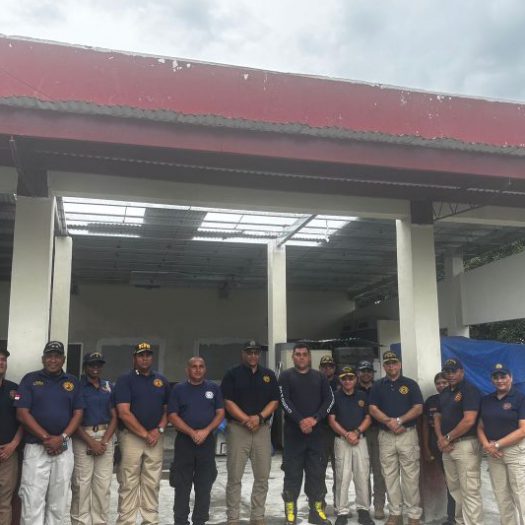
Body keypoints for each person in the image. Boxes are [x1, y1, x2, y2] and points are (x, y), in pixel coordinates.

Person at [15, 340, 84, 525]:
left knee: (58, 503)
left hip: (63, 449)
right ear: (43, 358)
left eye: (57, 356)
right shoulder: (30, 379)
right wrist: (47, 438)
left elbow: (78, 413)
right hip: (36, 448)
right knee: (32, 500)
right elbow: (22, 413)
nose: (53, 360)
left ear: (64, 359)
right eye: (49, 356)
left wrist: (61, 438)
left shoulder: (72, 382)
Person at [221, 341, 280, 525]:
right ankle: (233, 518)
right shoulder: (232, 374)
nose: (253, 356)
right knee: (234, 477)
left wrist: (259, 418)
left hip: (261, 430)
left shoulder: (269, 375)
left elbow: (275, 401)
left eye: (256, 352)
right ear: (243, 354)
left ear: (259, 354)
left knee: (262, 477)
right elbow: (227, 401)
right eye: (249, 352)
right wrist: (247, 420)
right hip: (238, 429)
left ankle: (258, 517)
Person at [114, 341, 170, 525]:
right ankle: (127, 521)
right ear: (134, 358)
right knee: (128, 482)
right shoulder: (125, 380)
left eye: (148, 355)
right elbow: (124, 412)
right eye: (141, 355)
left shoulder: (161, 380)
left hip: (156, 438)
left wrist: (159, 430)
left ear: (152, 358)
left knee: (152, 482)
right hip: (132, 438)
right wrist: (146, 434)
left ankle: (150, 521)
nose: (145, 359)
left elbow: (168, 410)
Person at [279, 342, 335, 525]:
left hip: (316, 436)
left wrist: (315, 419)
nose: (301, 357)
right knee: (292, 476)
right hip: (293, 437)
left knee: (317, 476)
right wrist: (300, 420)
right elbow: (284, 401)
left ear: (309, 357)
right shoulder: (286, 376)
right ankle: (290, 515)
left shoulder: (320, 377)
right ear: (293, 357)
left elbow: (329, 400)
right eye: (298, 354)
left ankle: (316, 513)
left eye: (304, 354)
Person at [368, 351, 423, 525]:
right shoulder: (378, 385)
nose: (391, 366)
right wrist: (389, 422)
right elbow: (372, 408)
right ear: (384, 366)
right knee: (389, 476)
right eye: (388, 363)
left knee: (410, 477)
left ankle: (413, 515)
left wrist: (399, 421)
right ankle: (395, 513)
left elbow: (418, 408)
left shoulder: (410, 384)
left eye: (394, 362)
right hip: (386, 436)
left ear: (399, 364)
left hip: (407, 434)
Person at [168, 357, 224, 525]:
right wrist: (192, 432)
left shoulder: (213, 388)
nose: (198, 369)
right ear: (187, 370)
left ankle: (200, 520)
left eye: (201, 366)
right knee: (182, 485)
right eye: (194, 366)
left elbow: (220, 413)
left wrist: (206, 431)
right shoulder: (178, 389)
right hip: (185, 442)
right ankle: (181, 521)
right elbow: (172, 415)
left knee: (204, 485)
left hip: (206, 442)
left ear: (205, 369)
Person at [70, 351, 118, 525]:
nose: (95, 368)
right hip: (83, 437)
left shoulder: (108, 386)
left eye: (99, 364)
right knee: (81, 485)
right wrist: (91, 442)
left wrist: (103, 441)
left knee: (103, 486)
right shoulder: (77, 386)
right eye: (92, 365)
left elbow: (115, 416)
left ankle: (100, 522)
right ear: (85, 367)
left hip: (106, 436)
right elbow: (73, 418)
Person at [434, 358, 483, 525]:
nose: (450, 375)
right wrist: (441, 438)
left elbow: (469, 420)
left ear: (461, 371)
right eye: (447, 371)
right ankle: (460, 521)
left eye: (453, 371)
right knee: (455, 489)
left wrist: (447, 438)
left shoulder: (470, 390)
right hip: (447, 447)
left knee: (470, 489)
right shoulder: (445, 392)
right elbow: (437, 416)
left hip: (465, 444)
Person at [478, 363, 525, 525]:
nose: (500, 380)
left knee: (520, 495)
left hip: (515, 452)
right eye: (496, 377)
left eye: (503, 376)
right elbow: (480, 426)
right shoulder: (486, 400)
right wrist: (487, 445)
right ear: (492, 380)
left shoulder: (520, 398)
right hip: (493, 454)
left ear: (511, 378)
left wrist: (496, 445)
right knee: (501, 496)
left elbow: (523, 430)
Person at [328, 366, 374, 525]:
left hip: (360, 440)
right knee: (342, 476)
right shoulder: (334, 396)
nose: (347, 381)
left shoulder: (362, 396)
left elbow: (368, 417)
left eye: (350, 378)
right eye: (344, 378)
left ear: (356, 379)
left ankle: (363, 510)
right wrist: (347, 434)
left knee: (362, 475)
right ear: (340, 380)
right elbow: (331, 420)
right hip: (342, 441)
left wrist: (356, 432)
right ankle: (342, 511)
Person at [422, 372, 455, 525]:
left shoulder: (456, 398)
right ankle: (451, 516)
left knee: (454, 481)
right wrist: (426, 448)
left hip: (452, 443)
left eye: (444, 382)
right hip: (435, 443)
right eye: (438, 383)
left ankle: (455, 516)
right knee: (448, 480)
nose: (441, 385)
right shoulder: (431, 401)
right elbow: (425, 425)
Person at [357, 360, 386, 520]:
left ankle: (379, 506)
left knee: (379, 471)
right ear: (358, 373)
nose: (366, 374)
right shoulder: (353, 389)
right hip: (361, 433)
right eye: (363, 371)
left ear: (373, 373)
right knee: (363, 472)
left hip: (379, 432)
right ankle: (364, 506)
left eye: (369, 371)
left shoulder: (380, 388)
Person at [0, 347, 23, 525]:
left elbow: (23, 419)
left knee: (4, 503)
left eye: (3, 360)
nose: (1, 363)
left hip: (8, 454)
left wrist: (13, 444)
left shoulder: (15, 389)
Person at [318, 354, 338, 511]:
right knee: (319, 469)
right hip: (321, 431)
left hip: (338, 431)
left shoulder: (341, 382)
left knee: (340, 470)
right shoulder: (315, 383)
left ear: (334, 368)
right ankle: (320, 501)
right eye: (324, 366)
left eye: (330, 366)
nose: (327, 369)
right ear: (320, 368)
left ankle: (339, 501)